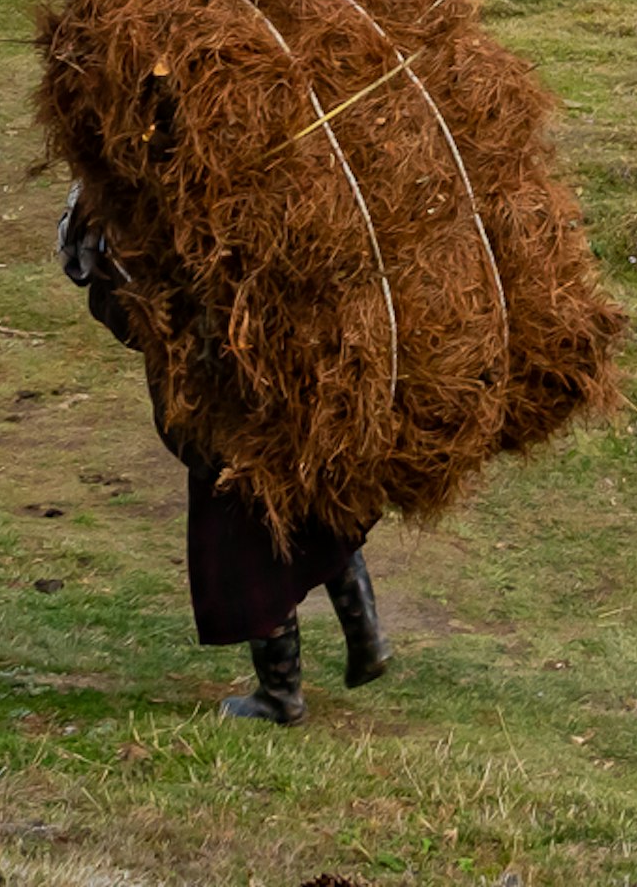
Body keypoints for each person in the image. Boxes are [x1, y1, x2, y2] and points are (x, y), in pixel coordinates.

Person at [59, 186, 389, 724]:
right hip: (286, 367)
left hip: (220, 396)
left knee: (242, 542)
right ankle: (366, 635)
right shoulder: (232, 188)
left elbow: (130, 313)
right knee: (307, 503)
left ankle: (281, 695)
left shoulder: (134, 211)